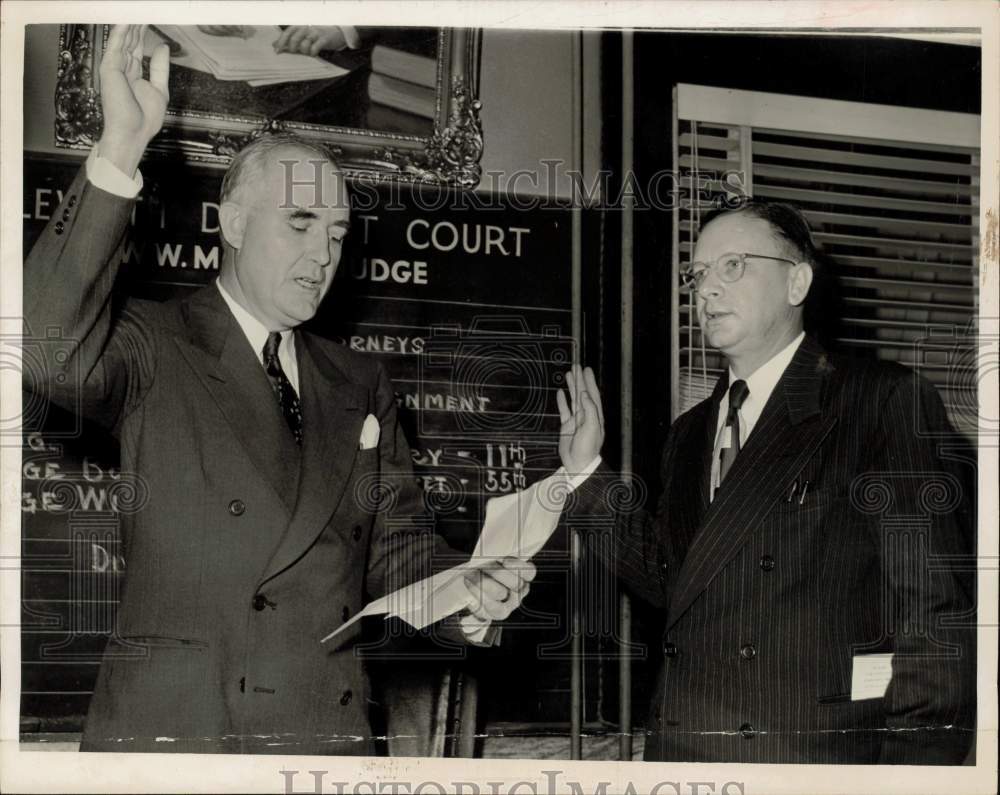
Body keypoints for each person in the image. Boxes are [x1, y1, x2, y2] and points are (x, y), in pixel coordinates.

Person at [23, 24, 533, 755]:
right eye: (299, 223)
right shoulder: (153, 343)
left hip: (321, 739)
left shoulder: (359, 381)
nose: (322, 253)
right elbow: (40, 352)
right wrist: (119, 150)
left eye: (336, 232)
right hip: (183, 740)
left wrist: (467, 591)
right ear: (231, 222)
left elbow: (397, 551)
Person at [556, 202, 976, 764]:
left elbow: (935, 615)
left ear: (797, 281)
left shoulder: (880, 401)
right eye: (697, 274)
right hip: (686, 752)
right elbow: (672, 583)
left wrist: (914, 774)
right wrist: (586, 472)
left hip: (808, 757)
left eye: (732, 266)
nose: (705, 290)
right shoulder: (689, 433)